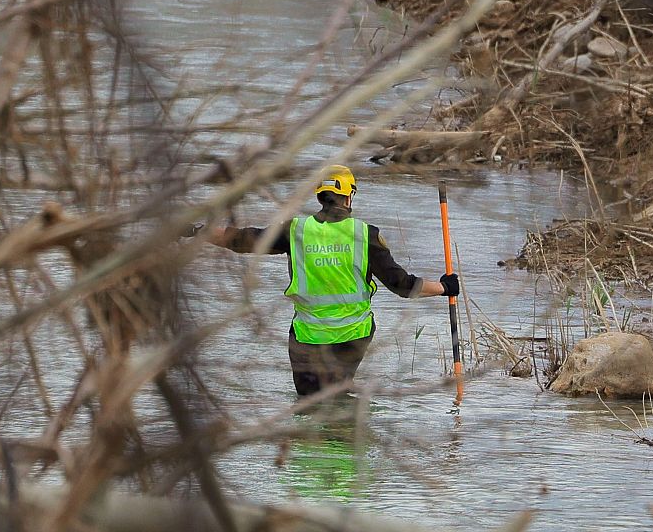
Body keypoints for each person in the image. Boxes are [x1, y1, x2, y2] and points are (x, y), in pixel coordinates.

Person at [191, 165, 459, 399]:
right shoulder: (365, 235)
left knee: (309, 406)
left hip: (307, 338)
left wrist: (196, 231)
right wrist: (444, 287)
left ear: (320, 195)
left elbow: (242, 240)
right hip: (352, 336)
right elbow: (402, 285)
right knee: (336, 400)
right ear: (348, 196)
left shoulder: (296, 231)